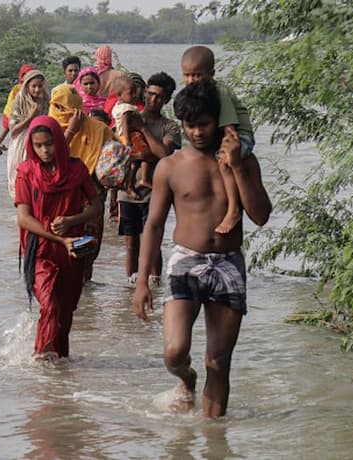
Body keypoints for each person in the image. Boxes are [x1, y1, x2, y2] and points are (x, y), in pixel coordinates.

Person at [133, 79, 271, 417]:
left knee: (218, 361)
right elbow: (153, 224)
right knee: (174, 352)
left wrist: (237, 166)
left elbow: (261, 215)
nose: (197, 132)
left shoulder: (243, 161)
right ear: (181, 124)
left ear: (218, 122)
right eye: (190, 126)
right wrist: (140, 282)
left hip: (227, 263)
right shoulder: (171, 166)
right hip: (185, 261)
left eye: (205, 124)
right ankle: (186, 379)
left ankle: (214, 443)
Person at [15, 115, 103, 359]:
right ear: (31, 147)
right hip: (40, 249)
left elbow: (96, 206)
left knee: (65, 312)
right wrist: (58, 237)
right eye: (38, 145)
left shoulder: (77, 169)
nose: (45, 151)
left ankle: (58, 374)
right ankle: (42, 359)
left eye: (49, 144)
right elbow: (24, 218)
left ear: (59, 142)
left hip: (72, 249)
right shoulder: (26, 172)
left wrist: (71, 221)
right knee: (50, 303)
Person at [181, 46, 256, 234]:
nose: (191, 81)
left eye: (197, 75)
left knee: (224, 162)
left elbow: (230, 128)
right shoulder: (196, 94)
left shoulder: (219, 91)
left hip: (242, 136)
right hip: (227, 134)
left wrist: (230, 153)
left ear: (211, 74)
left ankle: (233, 209)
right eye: (187, 75)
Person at [117, 72, 181, 285]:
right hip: (127, 190)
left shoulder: (169, 126)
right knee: (130, 241)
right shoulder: (128, 115)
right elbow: (120, 151)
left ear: (166, 100)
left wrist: (143, 129)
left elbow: (164, 153)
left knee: (152, 240)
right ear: (144, 92)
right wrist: (143, 154)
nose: (153, 100)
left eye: (159, 97)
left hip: (156, 191)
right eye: (150, 94)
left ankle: (155, 283)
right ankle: (130, 284)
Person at [48, 84, 115, 281]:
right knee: (55, 255)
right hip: (57, 200)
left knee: (86, 252)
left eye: (65, 108)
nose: (60, 112)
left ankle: (85, 301)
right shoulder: (47, 128)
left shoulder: (98, 129)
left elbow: (114, 161)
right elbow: (44, 162)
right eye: (57, 106)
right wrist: (70, 131)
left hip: (90, 201)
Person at [6, 69, 50, 199]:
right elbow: (13, 129)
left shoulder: (46, 101)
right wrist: (31, 117)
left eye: (39, 86)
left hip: (40, 141)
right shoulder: (19, 102)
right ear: (27, 86)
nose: (37, 90)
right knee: (20, 176)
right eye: (34, 86)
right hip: (21, 142)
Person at [111, 74, 152, 200]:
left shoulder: (117, 106)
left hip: (122, 136)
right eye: (131, 93)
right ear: (119, 95)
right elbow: (124, 123)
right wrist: (128, 140)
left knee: (134, 161)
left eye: (135, 92)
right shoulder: (126, 108)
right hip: (131, 136)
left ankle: (129, 184)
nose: (135, 95)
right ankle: (142, 179)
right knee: (146, 153)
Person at [0, 64, 34, 156]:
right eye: (25, 75)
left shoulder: (27, 87)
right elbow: (13, 104)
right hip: (16, 115)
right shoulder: (18, 89)